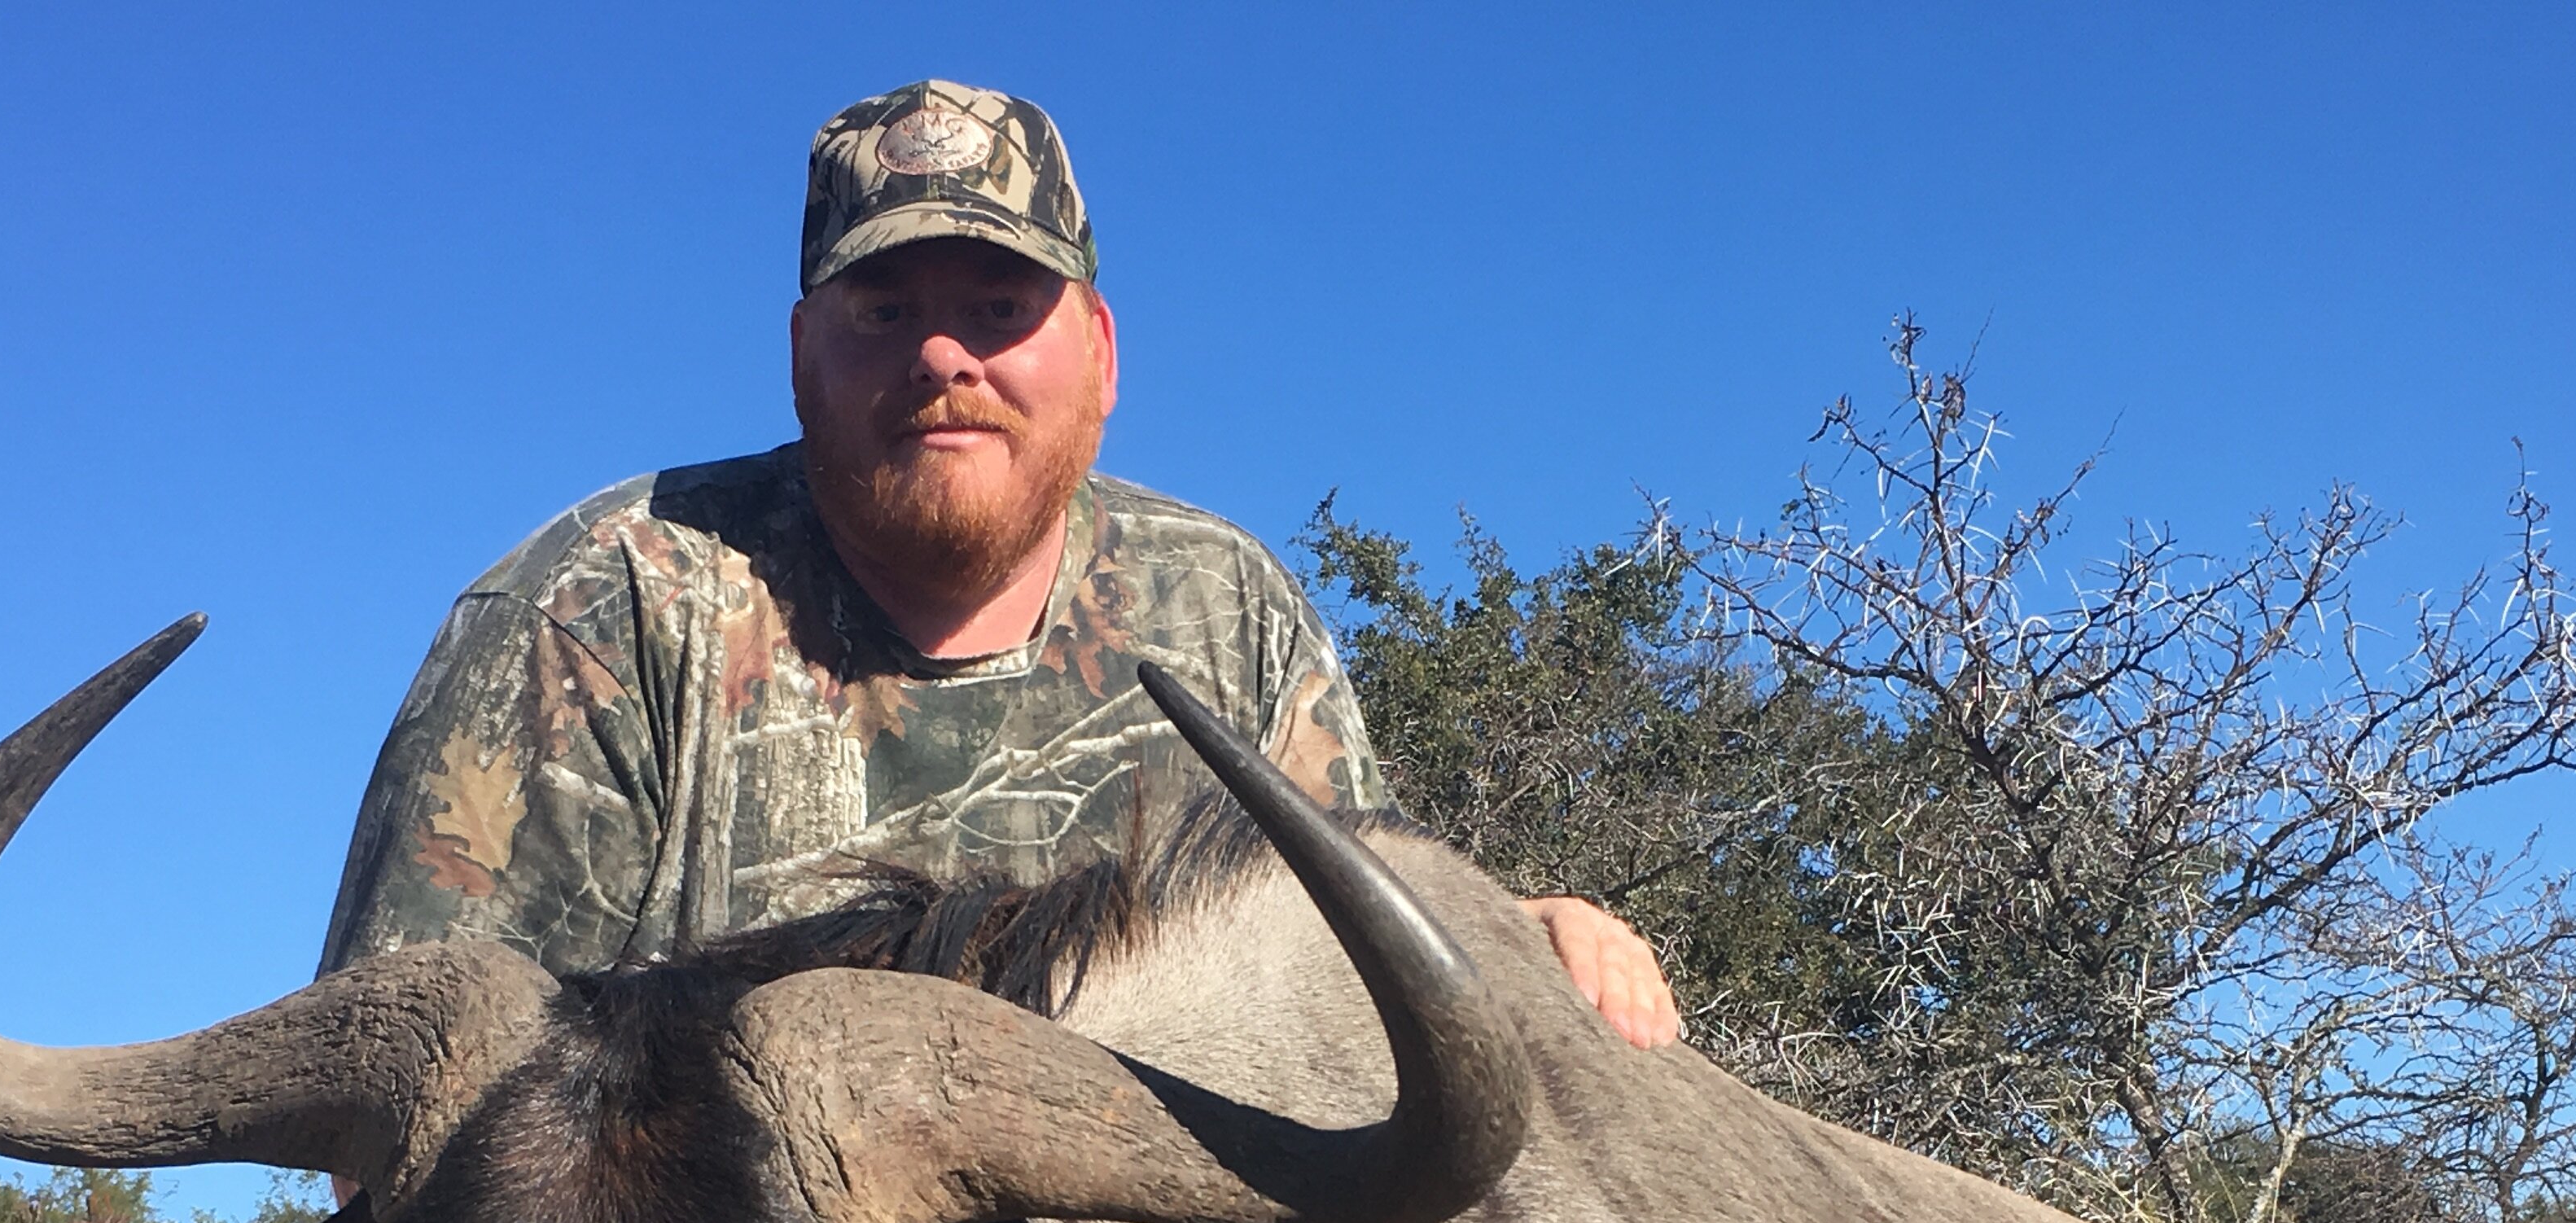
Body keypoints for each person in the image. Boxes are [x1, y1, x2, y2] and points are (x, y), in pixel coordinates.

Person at [318, 77, 1678, 1055]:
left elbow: (1356, 993)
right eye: (886, 308)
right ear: (802, 356)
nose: (941, 356)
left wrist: (1518, 934)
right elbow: (402, 1093)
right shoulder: (598, 607)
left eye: (995, 307)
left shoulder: (1228, 609)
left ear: (1099, 353)